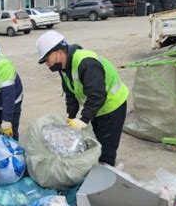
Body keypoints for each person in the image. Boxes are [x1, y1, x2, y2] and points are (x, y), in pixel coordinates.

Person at [36, 30, 129, 167]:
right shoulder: (64, 67)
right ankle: (99, 171)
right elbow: (70, 93)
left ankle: (107, 173)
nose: (46, 63)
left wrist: (84, 119)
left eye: (47, 59)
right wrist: (71, 116)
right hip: (98, 107)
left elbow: (97, 95)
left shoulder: (86, 63)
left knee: (106, 146)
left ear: (58, 52)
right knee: (95, 142)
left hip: (112, 106)